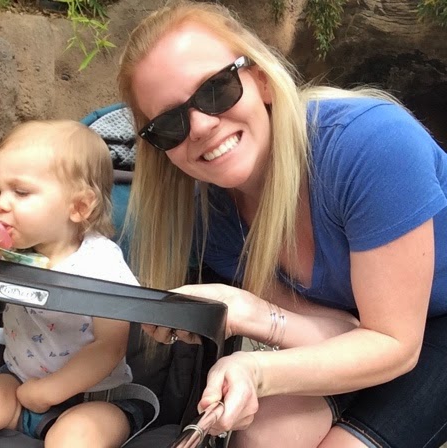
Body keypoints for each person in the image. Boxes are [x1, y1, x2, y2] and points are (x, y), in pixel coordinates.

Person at [117, 1, 447, 447]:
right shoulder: (208, 216)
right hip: (368, 333)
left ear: (261, 80)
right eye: (168, 124)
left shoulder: (370, 144)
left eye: (215, 89)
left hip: (426, 326)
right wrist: (247, 313)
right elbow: (346, 330)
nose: (200, 126)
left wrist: (258, 369)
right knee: (263, 436)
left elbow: (393, 343)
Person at [0, 120, 147, 448]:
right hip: (18, 383)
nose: (1, 204)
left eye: (20, 192)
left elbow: (110, 346)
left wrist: (51, 391)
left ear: (79, 206)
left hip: (96, 397)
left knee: (76, 435)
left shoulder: (102, 264)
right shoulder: (15, 251)